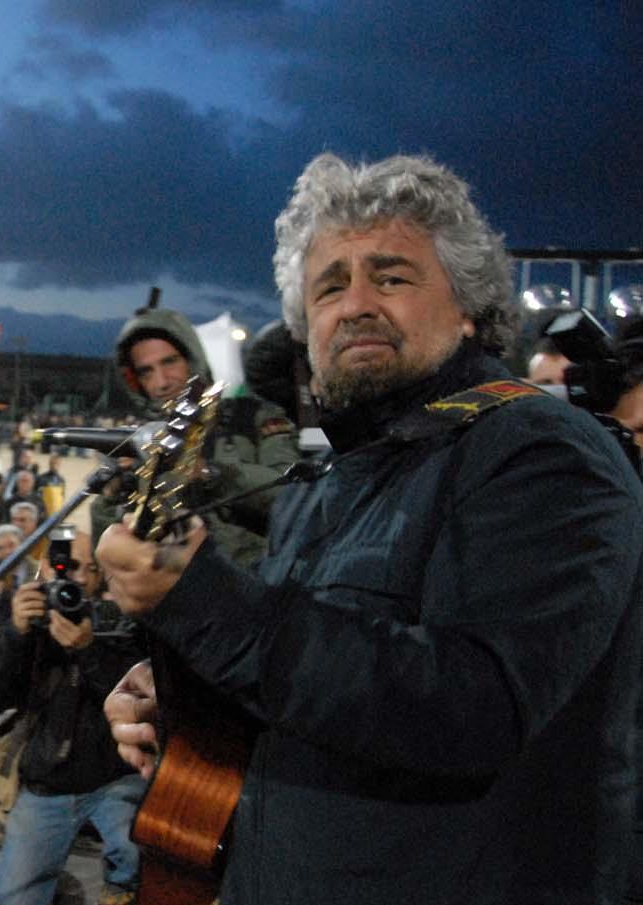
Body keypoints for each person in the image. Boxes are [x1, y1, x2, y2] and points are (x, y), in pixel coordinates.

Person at [99, 153, 643, 904]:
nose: (354, 304)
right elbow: (318, 689)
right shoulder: (325, 481)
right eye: (330, 285)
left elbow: (477, 704)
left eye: (390, 277)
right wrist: (191, 693)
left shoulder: (545, 453)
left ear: (468, 309)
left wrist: (209, 609)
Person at [0, 533, 143, 905]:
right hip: (47, 783)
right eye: (68, 566)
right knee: (15, 897)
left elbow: (137, 699)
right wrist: (16, 633)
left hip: (114, 778)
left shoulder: (118, 621)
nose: (77, 578)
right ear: (44, 570)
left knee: (137, 862)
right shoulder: (28, 623)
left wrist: (89, 649)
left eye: (91, 569)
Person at [95, 283, 300, 564]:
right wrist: (110, 499)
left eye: (169, 363)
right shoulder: (142, 444)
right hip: (175, 598)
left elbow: (295, 498)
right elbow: (111, 560)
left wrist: (208, 473)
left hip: (261, 590)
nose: (161, 381)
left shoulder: (254, 418)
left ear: (192, 359)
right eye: (146, 372)